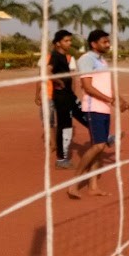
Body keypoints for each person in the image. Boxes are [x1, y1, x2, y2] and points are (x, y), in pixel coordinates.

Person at [68, 29, 129, 199]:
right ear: (93, 44)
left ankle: (93, 186)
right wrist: (110, 101)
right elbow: (87, 87)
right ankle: (73, 184)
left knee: (99, 148)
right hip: (93, 107)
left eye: (108, 41)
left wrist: (120, 99)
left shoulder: (101, 61)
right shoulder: (86, 60)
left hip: (103, 108)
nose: (108, 44)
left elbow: (107, 86)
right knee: (98, 146)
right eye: (104, 41)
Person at [43, 29, 90, 169]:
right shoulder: (56, 56)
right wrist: (58, 81)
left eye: (70, 40)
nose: (69, 43)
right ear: (58, 43)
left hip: (69, 95)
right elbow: (47, 71)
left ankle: (104, 137)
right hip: (61, 97)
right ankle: (61, 159)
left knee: (84, 115)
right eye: (66, 41)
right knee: (65, 126)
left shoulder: (65, 56)